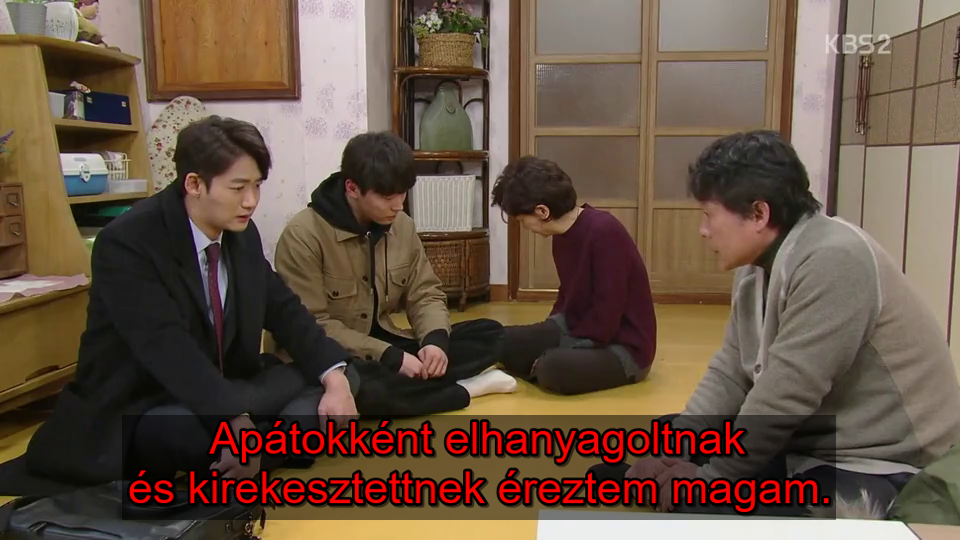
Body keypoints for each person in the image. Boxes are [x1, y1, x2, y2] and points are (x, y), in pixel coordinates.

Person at [592, 130, 960, 516]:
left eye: (709, 215)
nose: (703, 230)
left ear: (758, 214)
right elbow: (731, 371)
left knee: (714, 507)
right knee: (653, 444)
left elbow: (786, 395)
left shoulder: (835, 260)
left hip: (880, 460)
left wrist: (712, 479)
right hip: (811, 436)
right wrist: (676, 447)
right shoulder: (757, 264)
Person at [22, 116, 359, 487]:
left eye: (257, 186)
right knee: (181, 432)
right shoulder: (129, 241)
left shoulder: (240, 233)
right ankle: (275, 442)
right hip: (148, 398)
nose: (251, 201)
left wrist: (334, 379)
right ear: (194, 184)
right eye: (238, 187)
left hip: (226, 384)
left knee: (342, 375)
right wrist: (233, 420)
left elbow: (284, 310)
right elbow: (166, 346)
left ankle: (257, 448)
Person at [273, 131, 516, 417]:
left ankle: (426, 383)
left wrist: (434, 342)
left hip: (388, 343)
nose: (398, 205)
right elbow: (311, 326)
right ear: (352, 188)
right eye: (388, 197)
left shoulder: (402, 225)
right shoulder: (303, 236)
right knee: (366, 388)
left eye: (403, 193)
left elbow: (425, 292)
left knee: (490, 332)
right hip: (334, 356)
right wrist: (389, 356)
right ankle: (462, 389)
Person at [488, 156, 657, 395]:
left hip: (622, 347)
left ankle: (539, 367)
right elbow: (567, 298)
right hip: (578, 329)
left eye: (522, 220)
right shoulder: (561, 236)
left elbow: (608, 311)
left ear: (542, 211)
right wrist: (547, 332)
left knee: (552, 367)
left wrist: (562, 348)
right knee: (502, 340)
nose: (524, 226)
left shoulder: (605, 231)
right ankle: (536, 364)